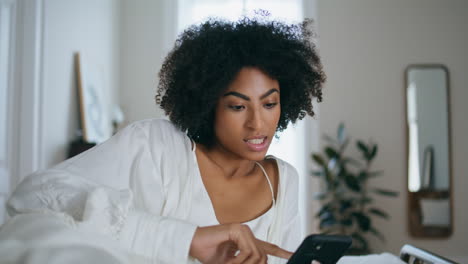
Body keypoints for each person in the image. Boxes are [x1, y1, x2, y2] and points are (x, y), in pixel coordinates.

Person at [3, 15, 325, 264]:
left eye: (270, 104)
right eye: (238, 106)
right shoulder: (155, 146)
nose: (258, 123)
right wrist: (189, 239)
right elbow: (32, 196)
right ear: (208, 102)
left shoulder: (284, 181)